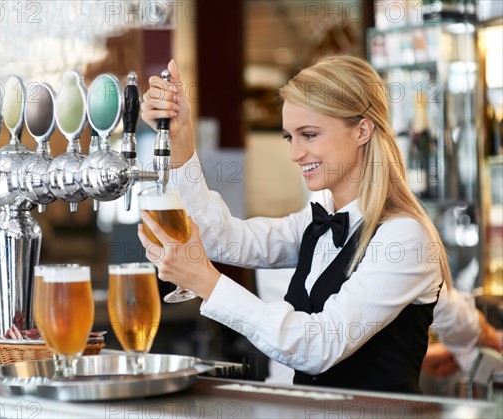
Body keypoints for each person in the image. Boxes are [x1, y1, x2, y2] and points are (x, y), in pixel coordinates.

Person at [137, 55, 499, 393]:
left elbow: (319, 346)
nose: (295, 154)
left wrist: (204, 281)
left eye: (309, 135)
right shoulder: (317, 221)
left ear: (362, 130)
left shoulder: (405, 237)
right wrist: (182, 139)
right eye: (290, 137)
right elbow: (224, 240)